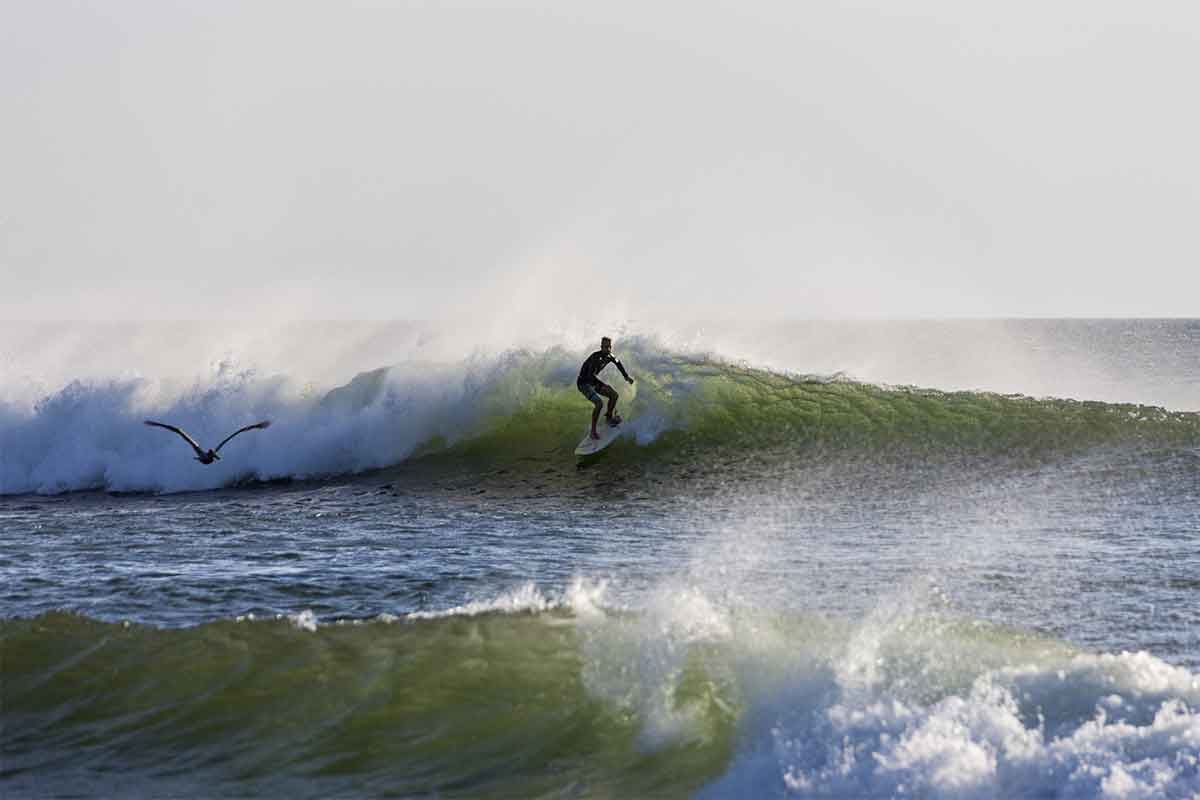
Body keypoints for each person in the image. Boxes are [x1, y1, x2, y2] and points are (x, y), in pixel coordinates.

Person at [577, 336, 634, 440]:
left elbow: (618, 363)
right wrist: (601, 386)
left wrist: (626, 377)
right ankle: (593, 432)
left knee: (614, 395)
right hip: (584, 383)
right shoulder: (595, 358)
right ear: (601, 347)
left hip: (592, 381)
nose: (607, 349)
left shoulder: (610, 356)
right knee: (599, 403)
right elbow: (589, 376)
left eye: (609, 347)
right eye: (605, 347)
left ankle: (608, 418)